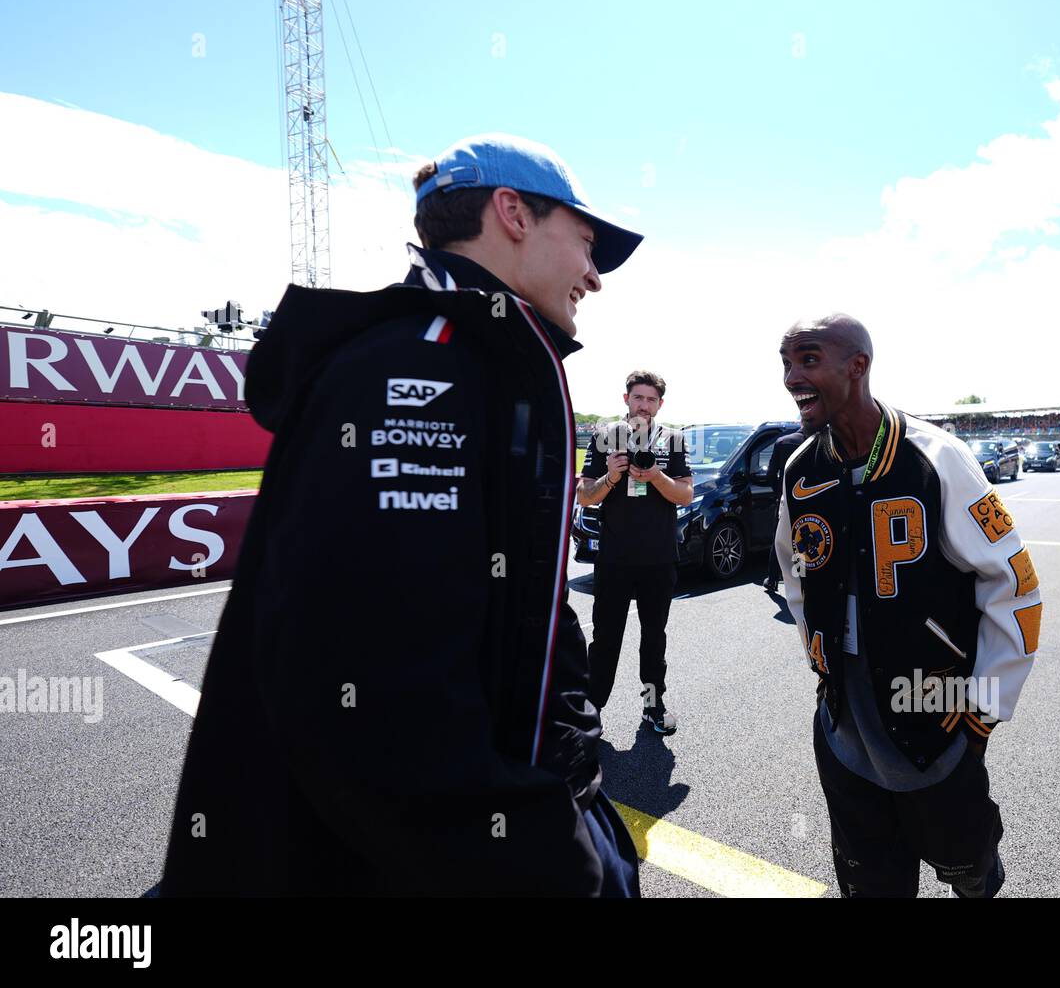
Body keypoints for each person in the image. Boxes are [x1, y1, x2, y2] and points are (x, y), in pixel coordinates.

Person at [159, 133, 644, 896]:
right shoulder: (416, 367)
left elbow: (528, 610)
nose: (595, 276)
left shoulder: (482, 363)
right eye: (587, 244)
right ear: (512, 213)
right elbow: (373, 707)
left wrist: (577, 762)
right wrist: (553, 859)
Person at [775, 314, 1041, 898]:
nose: (792, 375)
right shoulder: (799, 469)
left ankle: (975, 866)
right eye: (786, 362)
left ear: (858, 366)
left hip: (938, 718)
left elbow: (1015, 587)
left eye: (809, 359)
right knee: (870, 882)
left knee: (967, 868)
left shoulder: (936, 458)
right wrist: (821, 663)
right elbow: (795, 578)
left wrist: (981, 715)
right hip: (843, 722)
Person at [577, 372, 692, 734]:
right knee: (605, 639)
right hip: (614, 558)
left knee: (654, 639)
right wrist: (611, 476)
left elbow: (686, 494)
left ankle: (653, 706)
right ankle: (590, 711)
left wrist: (655, 477)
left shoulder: (672, 439)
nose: (644, 405)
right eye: (638, 397)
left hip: (658, 558)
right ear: (626, 399)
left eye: (651, 399)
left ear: (660, 404)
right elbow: (584, 495)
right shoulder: (605, 436)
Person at [763, 427, 807, 592]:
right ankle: (800, 579)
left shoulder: (783, 442)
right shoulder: (818, 442)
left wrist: (780, 492)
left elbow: (770, 474)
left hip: (785, 499)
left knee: (779, 538)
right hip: (809, 499)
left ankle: (773, 579)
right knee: (802, 541)